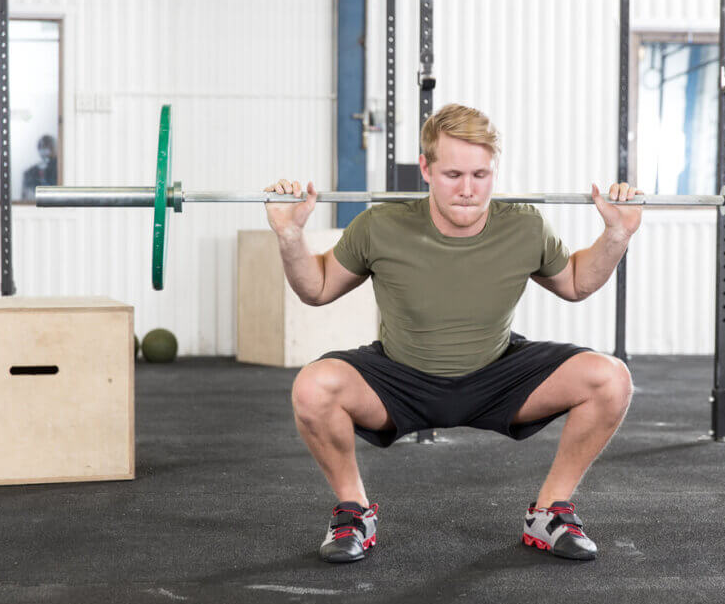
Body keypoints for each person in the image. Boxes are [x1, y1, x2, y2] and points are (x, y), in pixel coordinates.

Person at [264, 103, 641, 563]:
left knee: (611, 379)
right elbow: (317, 288)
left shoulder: (525, 225)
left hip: (497, 377)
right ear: (425, 168)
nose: (467, 189)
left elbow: (577, 283)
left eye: (480, 175)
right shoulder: (379, 225)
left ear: (495, 169)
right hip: (399, 381)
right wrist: (290, 235)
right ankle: (354, 511)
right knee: (312, 387)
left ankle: (549, 512)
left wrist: (617, 235)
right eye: (453, 174)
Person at [21, 135, 58, 201]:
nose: (44, 150)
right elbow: (26, 195)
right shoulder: (30, 172)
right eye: (40, 147)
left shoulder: (59, 168)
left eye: (47, 147)